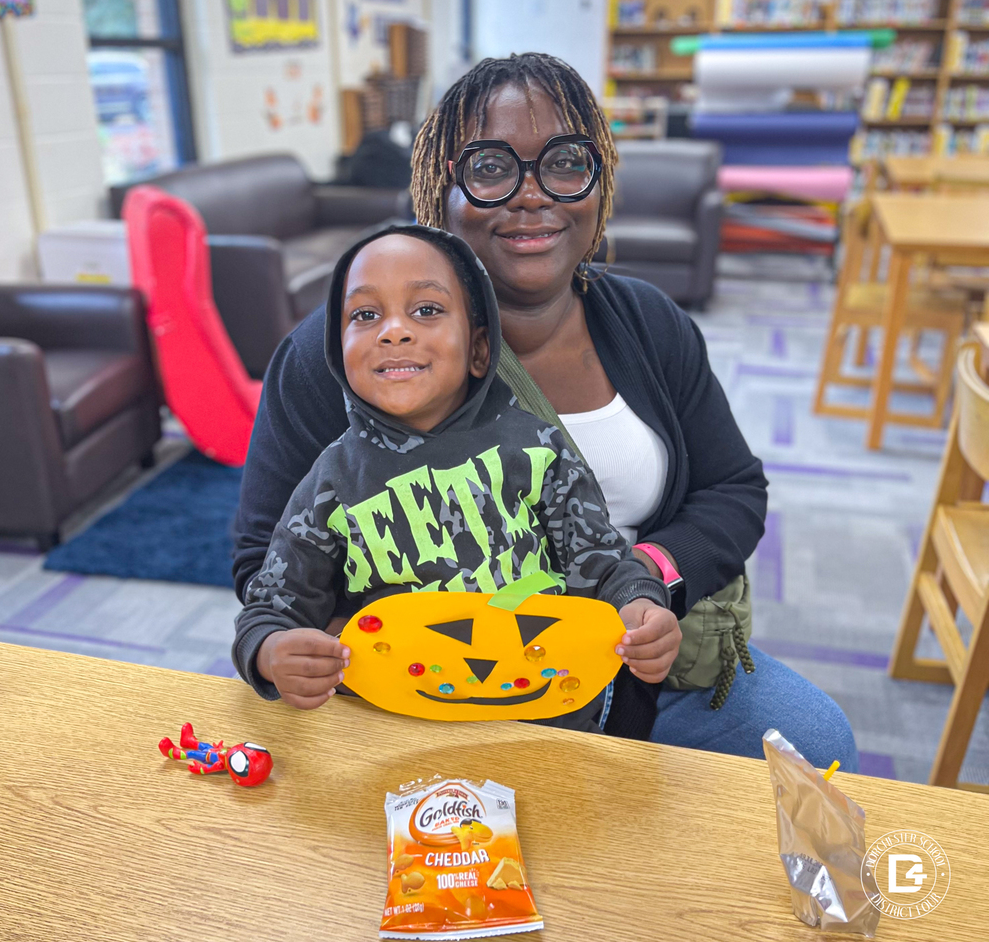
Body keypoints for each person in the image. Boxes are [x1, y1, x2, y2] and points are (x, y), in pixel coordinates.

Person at [232, 52, 858, 772]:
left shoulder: (649, 322)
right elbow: (263, 562)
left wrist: (641, 580)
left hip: (624, 654)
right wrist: (364, 643)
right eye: (491, 168)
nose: (532, 196)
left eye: (564, 163)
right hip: (419, 673)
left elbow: (734, 490)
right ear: (443, 193)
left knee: (818, 740)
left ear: (599, 182)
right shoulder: (348, 354)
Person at [232, 224, 673, 736]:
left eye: (426, 310)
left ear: (480, 349)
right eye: (365, 315)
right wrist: (269, 653)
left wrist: (641, 606)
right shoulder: (330, 483)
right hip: (389, 723)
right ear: (339, 351)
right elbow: (271, 609)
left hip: (545, 719)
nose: (393, 331)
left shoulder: (538, 450)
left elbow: (604, 567)